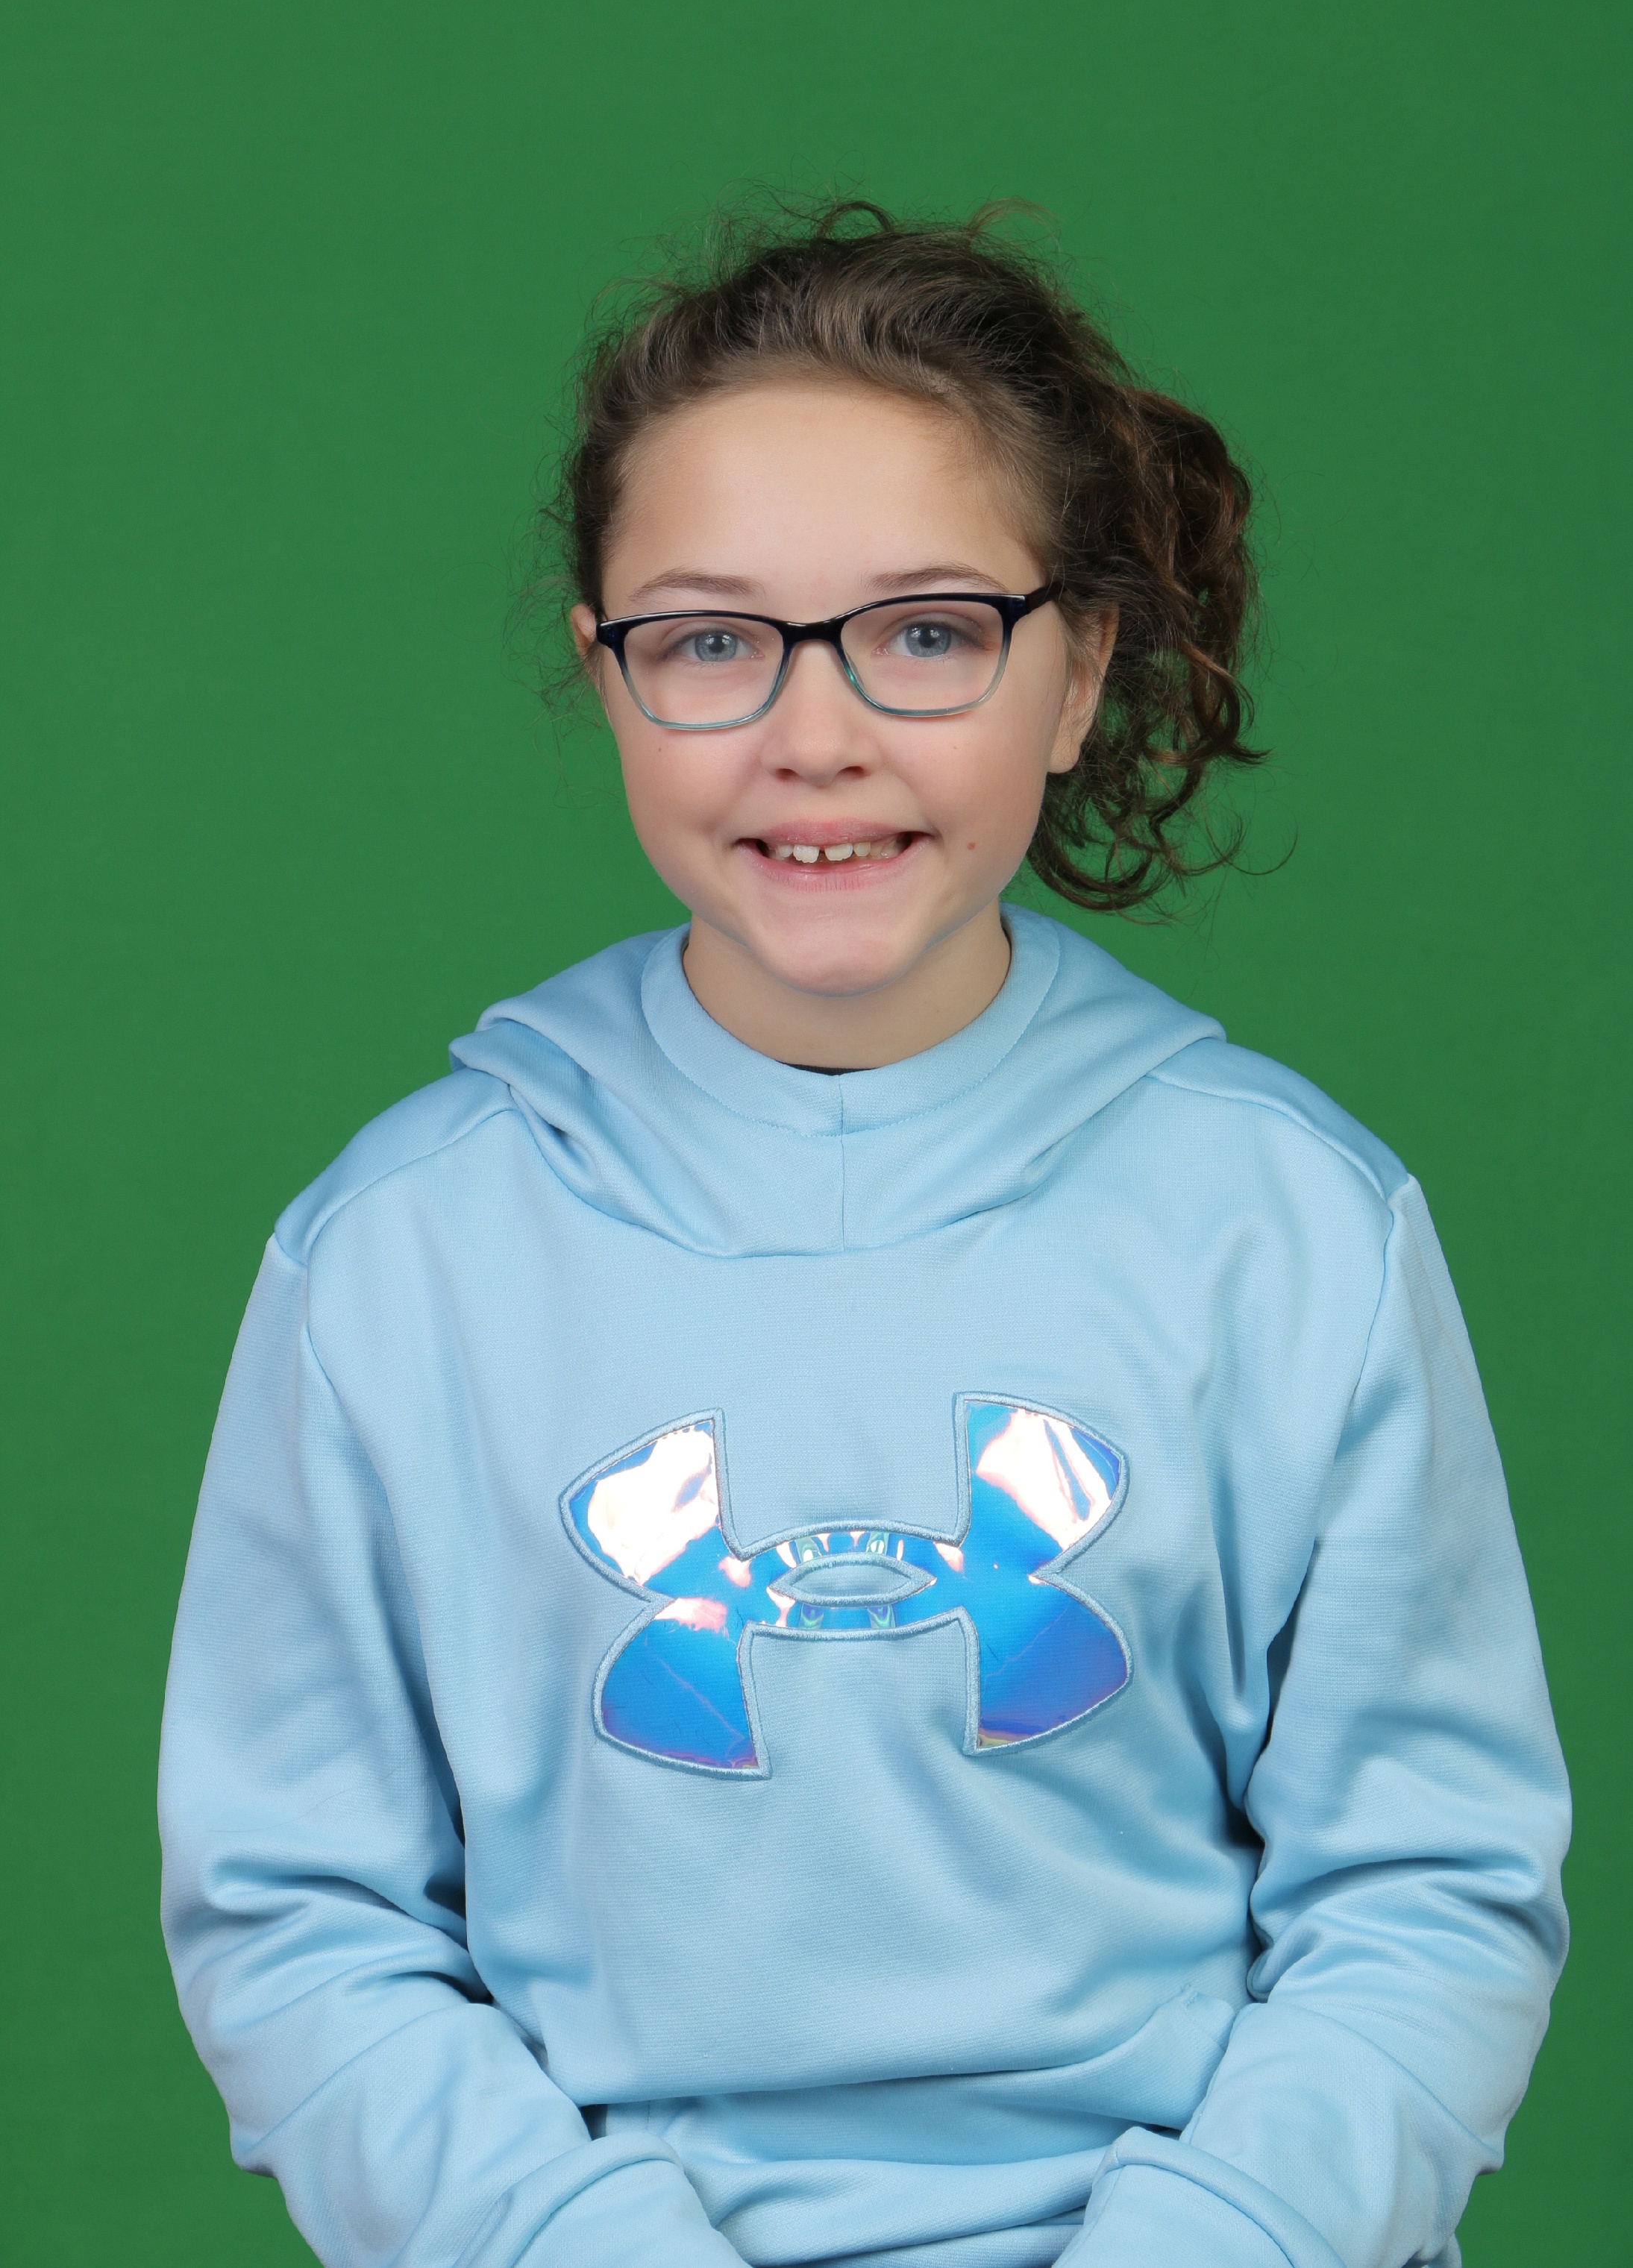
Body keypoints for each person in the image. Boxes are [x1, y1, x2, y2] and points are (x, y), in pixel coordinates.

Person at [158, 204, 1569, 2268]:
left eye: (925, 631)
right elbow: (301, 1921)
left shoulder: (1294, 1230)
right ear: (608, 678)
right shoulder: (397, 1257)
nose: (814, 734)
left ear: (1079, 672)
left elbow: (1428, 1895)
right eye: (711, 641)